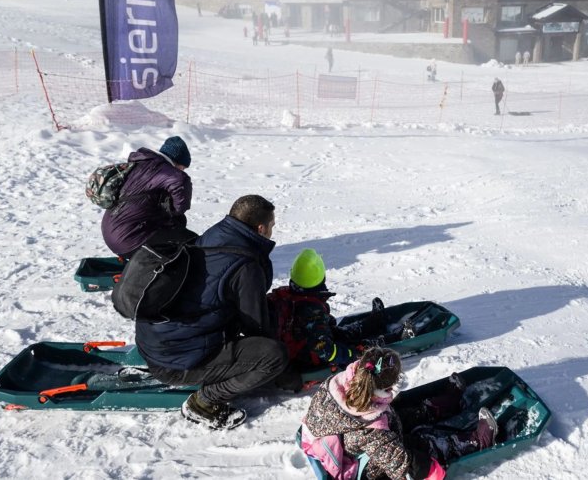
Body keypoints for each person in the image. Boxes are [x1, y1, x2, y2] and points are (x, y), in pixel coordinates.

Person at [139, 195, 288, 430]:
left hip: (157, 341)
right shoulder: (245, 265)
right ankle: (205, 402)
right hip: (175, 362)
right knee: (273, 356)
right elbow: (257, 328)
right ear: (261, 228)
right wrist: (284, 369)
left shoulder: (214, 236)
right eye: (272, 226)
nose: (272, 231)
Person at [302, 348, 496, 480]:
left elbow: (375, 417)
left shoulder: (341, 384)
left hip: (349, 438)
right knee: (419, 444)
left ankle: (440, 406)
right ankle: (474, 441)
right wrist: (430, 471)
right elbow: (400, 464)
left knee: (398, 412)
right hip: (361, 466)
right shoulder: (372, 431)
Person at [268, 249, 385, 377]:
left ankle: (372, 323)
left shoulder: (291, 295)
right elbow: (324, 349)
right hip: (308, 358)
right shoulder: (311, 310)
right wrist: (351, 354)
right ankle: (387, 339)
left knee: (341, 332)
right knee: (350, 342)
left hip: (300, 346)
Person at [100, 136, 193, 257]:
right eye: (183, 167)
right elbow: (180, 193)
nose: (182, 171)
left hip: (112, 231)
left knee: (178, 222)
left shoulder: (141, 164)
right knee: (192, 243)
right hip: (129, 239)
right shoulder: (164, 170)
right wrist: (172, 211)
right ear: (177, 161)